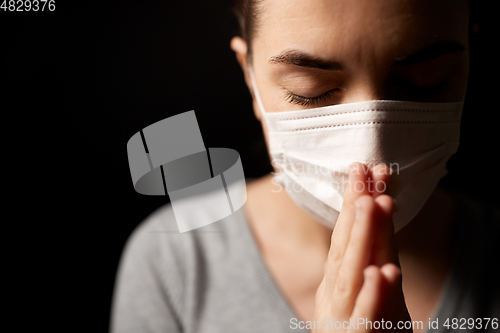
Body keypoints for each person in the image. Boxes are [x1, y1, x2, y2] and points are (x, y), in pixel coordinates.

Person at [110, 0, 499, 332]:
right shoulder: (175, 262)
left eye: (426, 82)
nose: (370, 155)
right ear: (250, 75)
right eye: (309, 91)